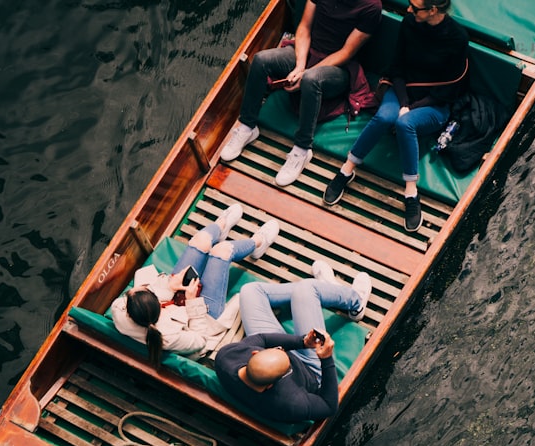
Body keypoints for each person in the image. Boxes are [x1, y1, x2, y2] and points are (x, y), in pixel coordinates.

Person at [322, 0, 469, 231]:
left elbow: (447, 91)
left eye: (415, 6)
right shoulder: (410, 23)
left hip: (434, 104)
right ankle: (346, 170)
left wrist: (411, 108)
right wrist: (403, 102)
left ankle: (411, 193)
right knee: (383, 118)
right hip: (402, 93)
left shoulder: (457, 38)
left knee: (405, 123)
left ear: (433, 10)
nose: (409, 9)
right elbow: (397, 68)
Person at [219, 0, 383, 187]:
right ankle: (247, 126)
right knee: (261, 60)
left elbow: (346, 52)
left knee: (311, 79)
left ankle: (302, 149)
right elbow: (304, 27)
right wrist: (300, 65)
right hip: (309, 52)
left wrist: (305, 74)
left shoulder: (371, 7)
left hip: (338, 68)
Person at [110, 203, 279, 367]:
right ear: (156, 305)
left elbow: (122, 302)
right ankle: (258, 243)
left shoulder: (121, 312)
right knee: (222, 251)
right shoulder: (169, 337)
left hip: (174, 300)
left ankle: (221, 225)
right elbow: (200, 339)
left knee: (201, 240)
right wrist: (192, 302)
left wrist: (170, 287)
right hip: (203, 316)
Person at [213, 260, 372, 423]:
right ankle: (356, 302)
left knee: (251, 290)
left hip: (298, 348)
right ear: (271, 385)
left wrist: (302, 342)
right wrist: (326, 359)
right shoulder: (290, 403)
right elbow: (329, 406)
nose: (283, 349)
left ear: (254, 353)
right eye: (285, 358)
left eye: (277, 350)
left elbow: (262, 338)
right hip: (310, 368)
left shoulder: (226, 358)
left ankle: (324, 291)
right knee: (307, 289)